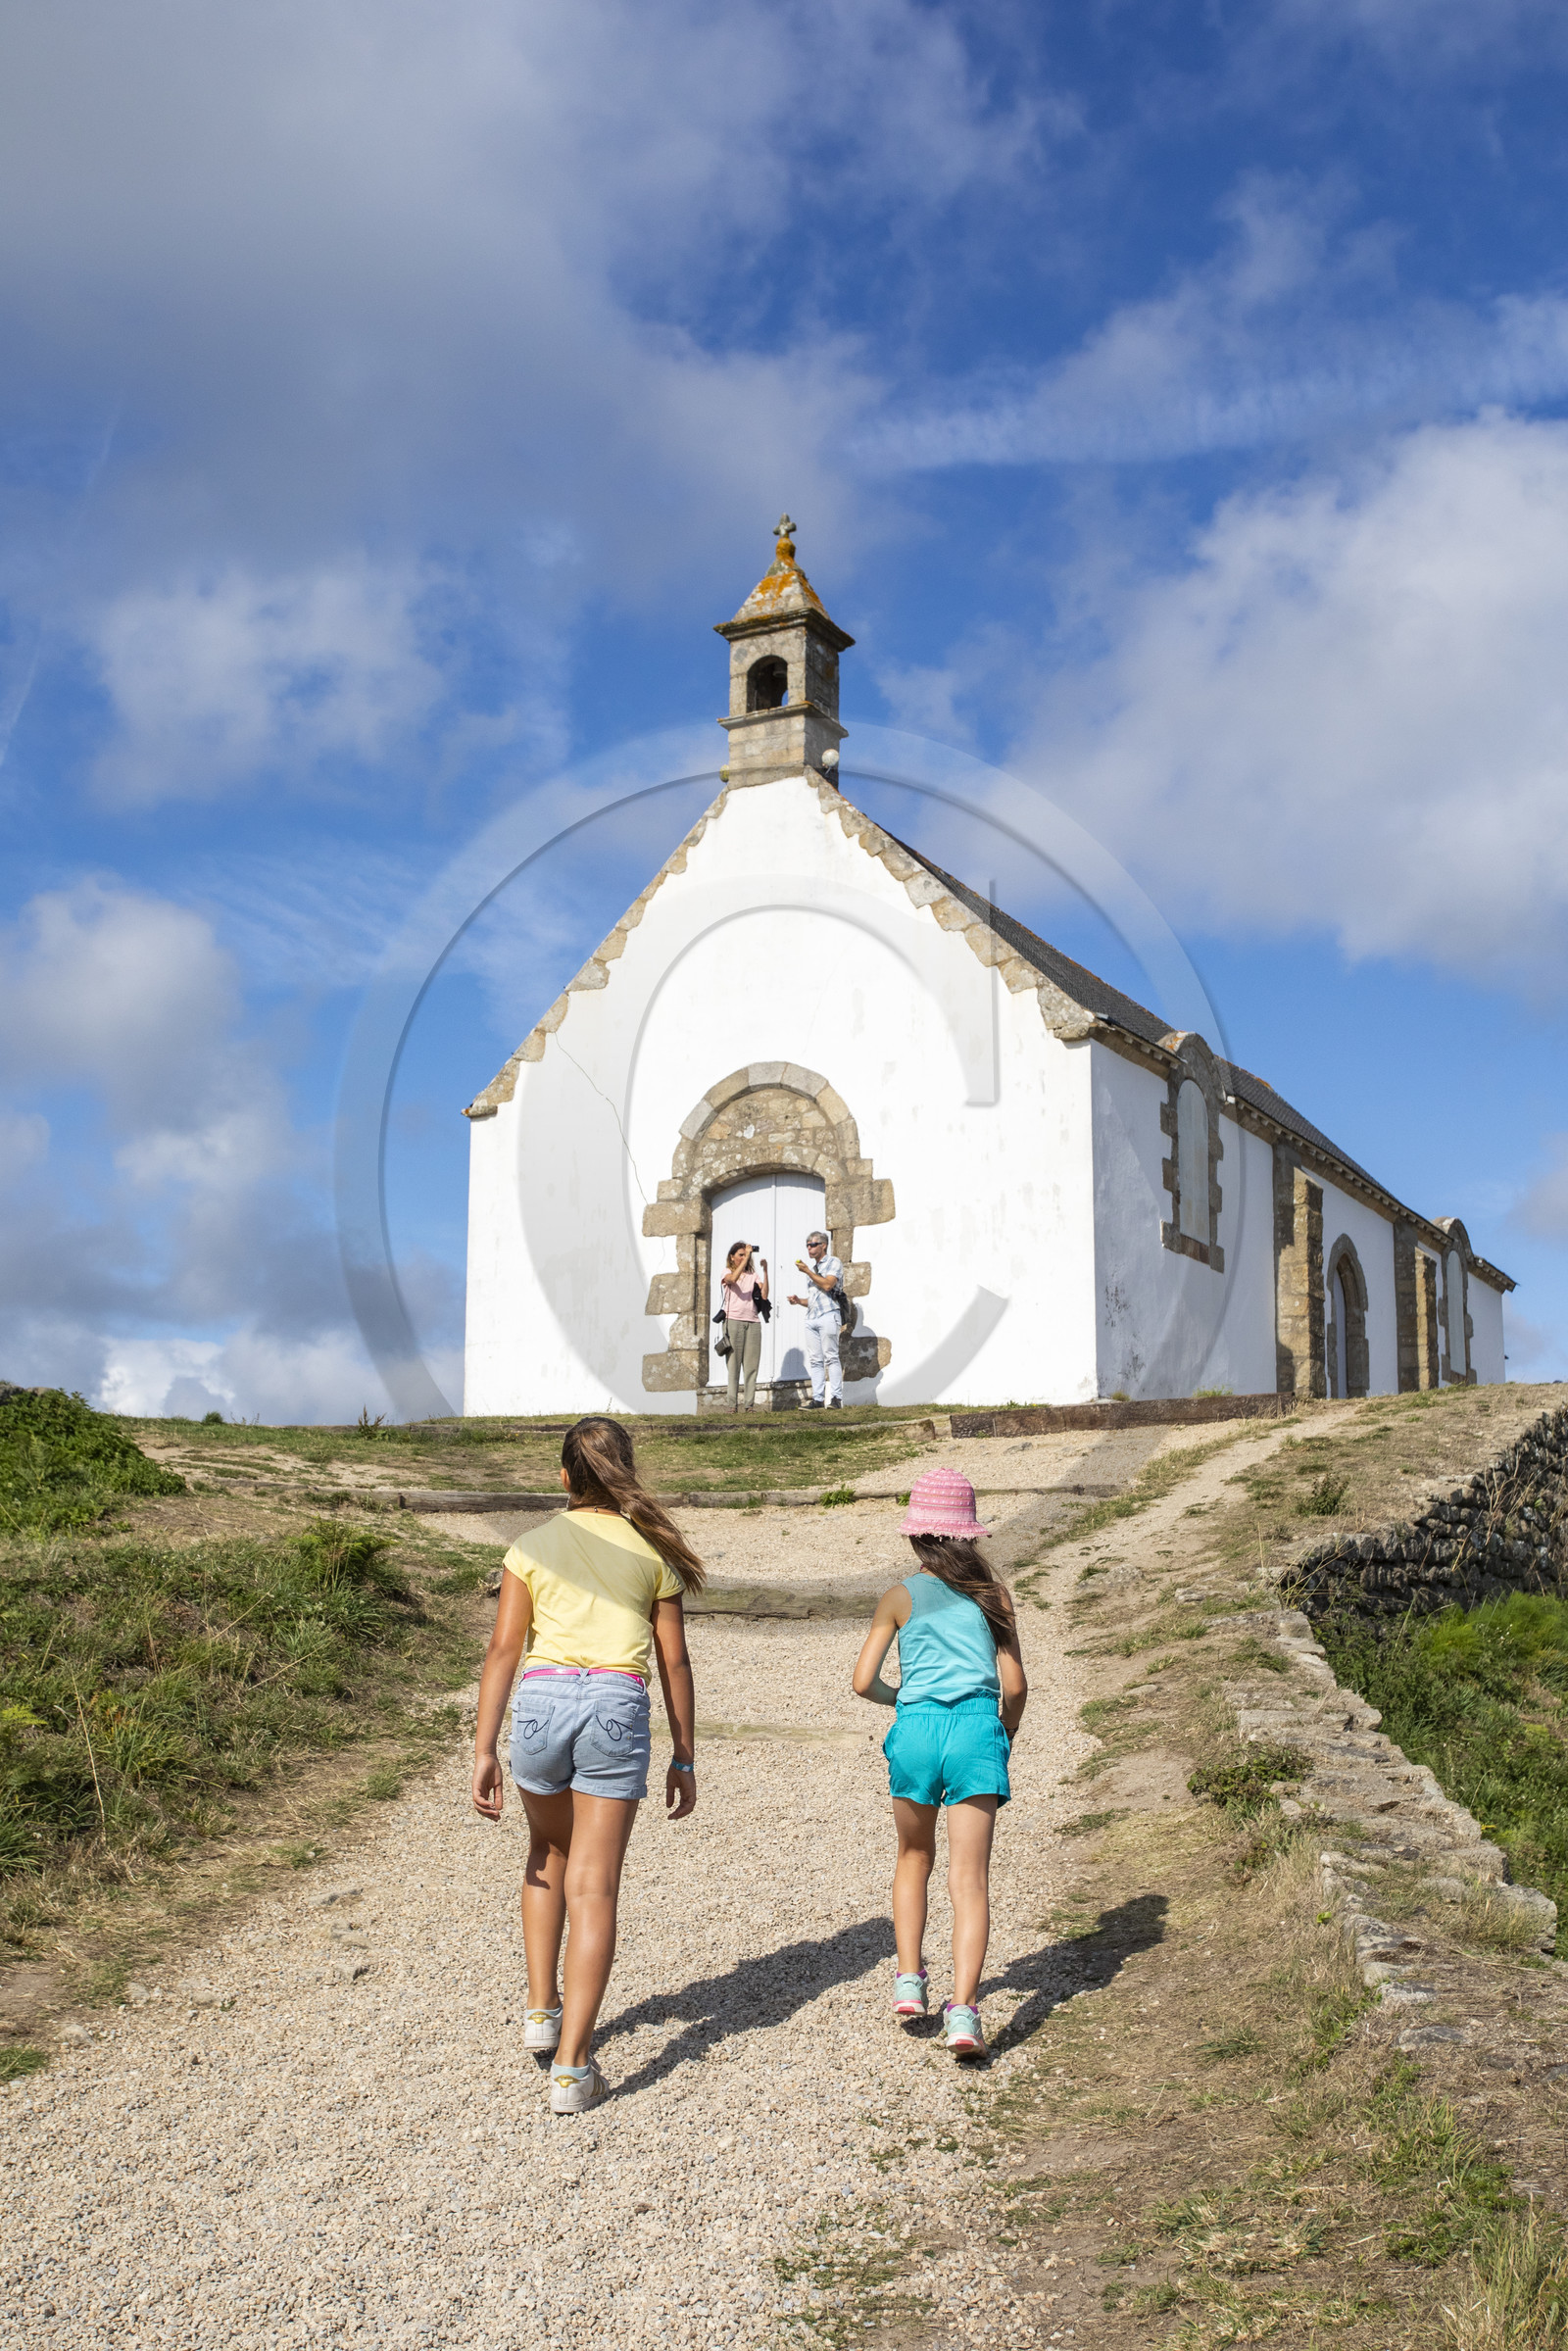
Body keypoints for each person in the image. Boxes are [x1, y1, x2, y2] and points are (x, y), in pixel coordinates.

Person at [470, 1415, 704, 2114]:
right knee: (595, 1885)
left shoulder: (530, 1546)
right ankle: (572, 2070)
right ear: (623, 1471)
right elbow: (674, 1662)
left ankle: (541, 2011)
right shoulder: (653, 1551)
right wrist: (684, 1755)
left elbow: (504, 1650)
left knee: (547, 1850)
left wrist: (484, 1747)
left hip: (540, 1702)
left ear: (565, 1476)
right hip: (614, 1701)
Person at [851, 1467, 1027, 2057]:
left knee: (913, 1856)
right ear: (969, 1533)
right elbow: (1015, 1686)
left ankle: (909, 1979)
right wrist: (1005, 1732)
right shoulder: (993, 1597)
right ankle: (964, 2014)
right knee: (969, 1879)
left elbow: (863, 1681)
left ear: (916, 1535)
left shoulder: (899, 1596)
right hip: (977, 1731)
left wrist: (904, 1700)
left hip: (917, 1732)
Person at [787, 1228, 844, 1409]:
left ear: (823, 1245)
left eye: (813, 1245)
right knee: (815, 1360)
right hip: (812, 1317)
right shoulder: (812, 1270)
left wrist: (807, 1272)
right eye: (807, 1245)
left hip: (829, 1314)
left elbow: (828, 1285)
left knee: (831, 1357)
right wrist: (799, 1301)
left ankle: (836, 1398)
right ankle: (818, 1399)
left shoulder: (833, 1262)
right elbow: (814, 1300)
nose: (809, 1248)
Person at [719, 1239, 768, 1410]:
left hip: (753, 1322)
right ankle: (732, 1405)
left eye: (745, 1255)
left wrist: (765, 1271)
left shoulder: (753, 1275)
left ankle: (749, 1405)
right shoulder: (727, 1271)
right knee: (733, 1365)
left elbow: (764, 1295)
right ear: (732, 1257)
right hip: (733, 1321)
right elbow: (732, 1279)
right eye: (740, 1255)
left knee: (751, 1366)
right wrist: (746, 1258)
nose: (744, 1257)